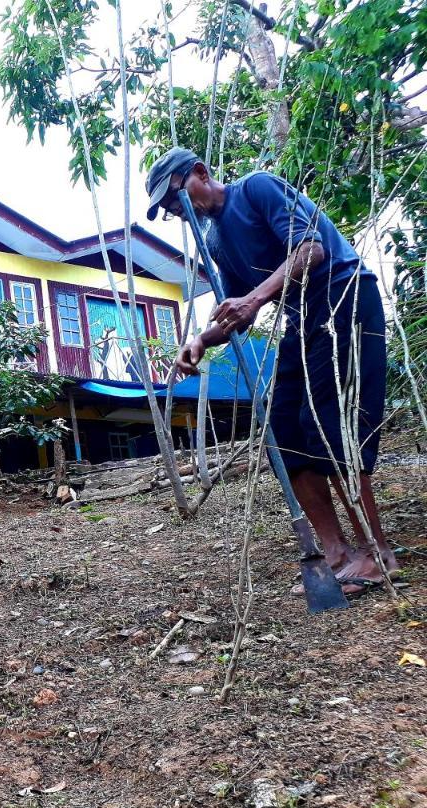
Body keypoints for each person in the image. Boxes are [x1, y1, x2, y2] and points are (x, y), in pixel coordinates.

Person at [144, 147, 396, 589]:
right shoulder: (217, 240)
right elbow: (239, 311)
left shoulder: (256, 188)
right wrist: (201, 340)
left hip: (344, 298)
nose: (177, 212)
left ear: (200, 173)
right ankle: (337, 554)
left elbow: (311, 250)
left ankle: (377, 555)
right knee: (283, 434)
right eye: (168, 209)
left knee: (330, 428)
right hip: (302, 319)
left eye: (175, 198)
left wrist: (255, 297)